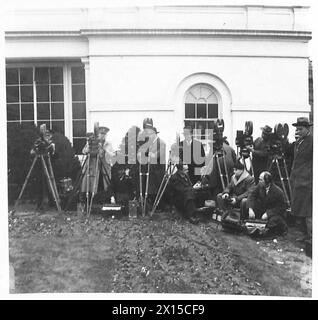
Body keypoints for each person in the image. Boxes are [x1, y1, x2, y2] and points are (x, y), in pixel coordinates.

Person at [290, 117, 313, 244]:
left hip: (307, 181)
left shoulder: (312, 141)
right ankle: (304, 234)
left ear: (307, 129)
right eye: (297, 129)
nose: (297, 131)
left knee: (308, 210)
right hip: (297, 180)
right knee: (299, 209)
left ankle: (311, 237)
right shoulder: (300, 141)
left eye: (300, 129)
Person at [80, 126, 114, 207]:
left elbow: (111, 155)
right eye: (100, 133)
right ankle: (89, 202)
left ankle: (105, 201)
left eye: (104, 134)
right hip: (93, 168)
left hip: (103, 169)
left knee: (104, 185)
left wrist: (102, 149)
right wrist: (90, 145)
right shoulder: (92, 142)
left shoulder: (108, 144)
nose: (102, 136)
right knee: (90, 184)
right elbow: (84, 151)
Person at [165, 143, 199, 224]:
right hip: (178, 197)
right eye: (185, 165)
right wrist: (191, 189)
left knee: (194, 193)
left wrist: (194, 187)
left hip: (185, 194)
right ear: (181, 167)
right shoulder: (175, 177)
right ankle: (191, 216)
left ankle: (196, 213)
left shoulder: (186, 175)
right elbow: (180, 189)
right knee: (188, 194)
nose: (187, 166)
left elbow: (188, 186)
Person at [247, 171, 288, 236]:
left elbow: (281, 208)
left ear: (267, 181)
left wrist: (268, 214)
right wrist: (250, 209)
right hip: (263, 210)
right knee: (245, 202)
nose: (259, 181)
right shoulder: (260, 186)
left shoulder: (278, 192)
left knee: (272, 223)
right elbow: (252, 195)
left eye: (261, 180)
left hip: (275, 213)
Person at [137, 122, 166, 211]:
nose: (149, 136)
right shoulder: (149, 143)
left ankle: (159, 207)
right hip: (150, 169)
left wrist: (150, 155)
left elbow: (155, 156)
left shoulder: (161, 143)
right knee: (149, 187)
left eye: (151, 134)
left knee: (157, 187)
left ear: (155, 134)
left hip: (158, 169)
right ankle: (149, 205)